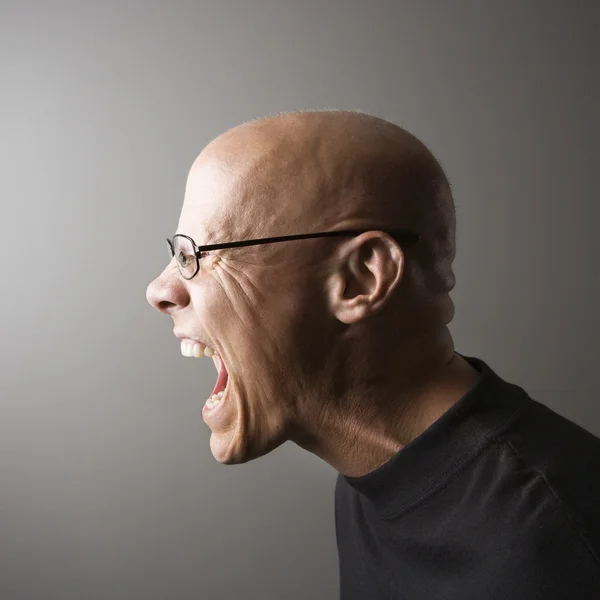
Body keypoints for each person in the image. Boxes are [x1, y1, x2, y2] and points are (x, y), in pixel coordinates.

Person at [146, 110, 600, 599]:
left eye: (197, 254)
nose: (160, 289)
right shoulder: (372, 472)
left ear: (361, 278)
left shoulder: (556, 543)